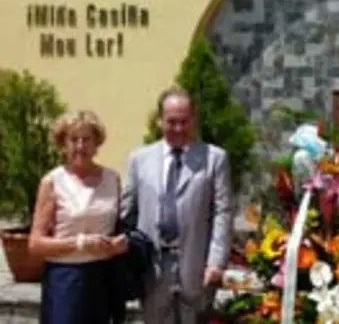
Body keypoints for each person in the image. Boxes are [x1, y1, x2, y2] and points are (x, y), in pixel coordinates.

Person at [120, 86, 234, 323]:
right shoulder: (139, 160)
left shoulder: (214, 159)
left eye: (184, 121)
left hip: (195, 265)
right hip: (153, 269)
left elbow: (223, 212)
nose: (179, 128)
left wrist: (216, 262)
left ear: (194, 120)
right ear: (160, 121)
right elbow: (127, 213)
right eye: (172, 122)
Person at [29, 110, 128, 323]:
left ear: (96, 143)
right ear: (63, 145)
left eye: (87, 139)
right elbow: (35, 244)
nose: (80, 146)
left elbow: (119, 226)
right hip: (66, 279)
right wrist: (81, 243)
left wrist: (120, 243)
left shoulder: (113, 179)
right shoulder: (53, 181)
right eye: (73, 139)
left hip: (104, 277)